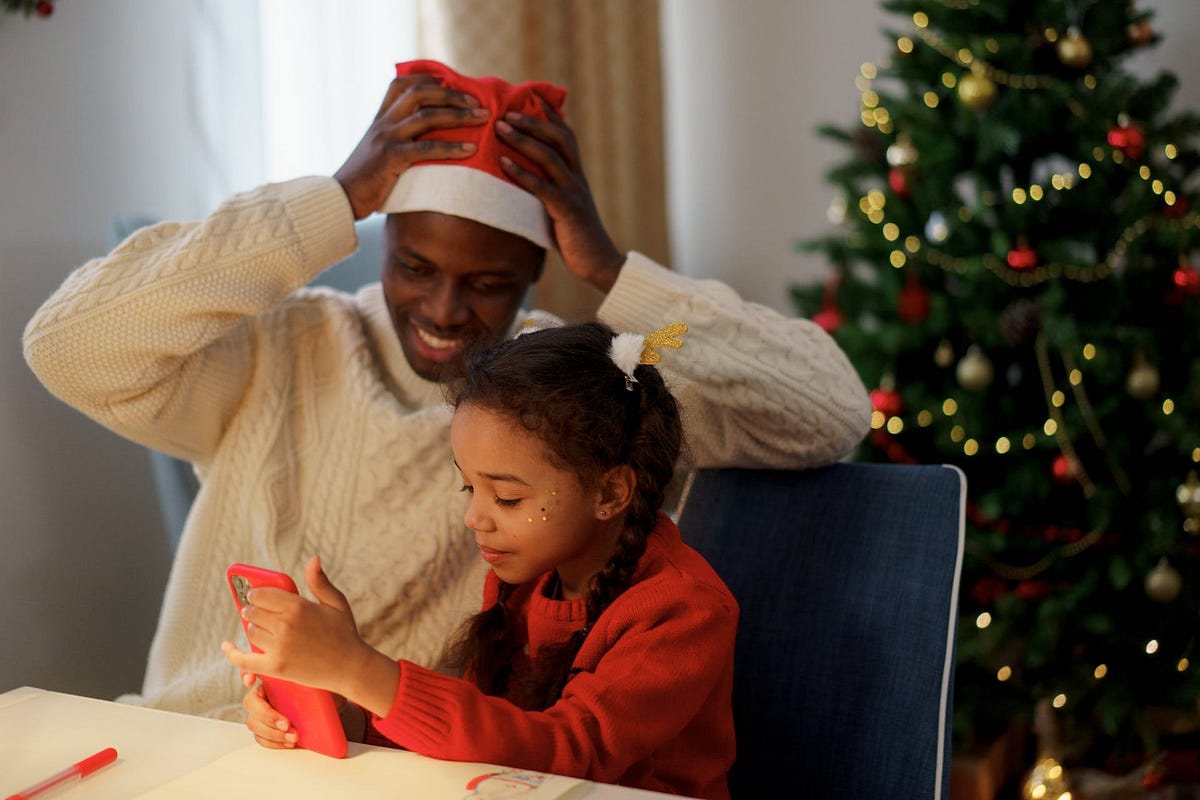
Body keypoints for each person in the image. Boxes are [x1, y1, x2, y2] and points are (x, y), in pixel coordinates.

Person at [22, 60, 870, 720]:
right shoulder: (284, 342)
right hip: (190, 743)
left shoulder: (587, 385)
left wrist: (615, 272)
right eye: (416, 267)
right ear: (380, 240)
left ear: (538, 272)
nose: (443, 310)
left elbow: (828, 411)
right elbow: (67, 344)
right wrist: (334, 198)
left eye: (489, 283)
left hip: (400, 771)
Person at [222, 321, 737, 799]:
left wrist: (363, 671)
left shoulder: (684, 610)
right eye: (468, 486)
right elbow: (485, 734)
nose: (474, 517)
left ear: (610, 491)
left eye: (506, 498)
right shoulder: (529, 576)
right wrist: (346, 705)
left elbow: (569, 755)